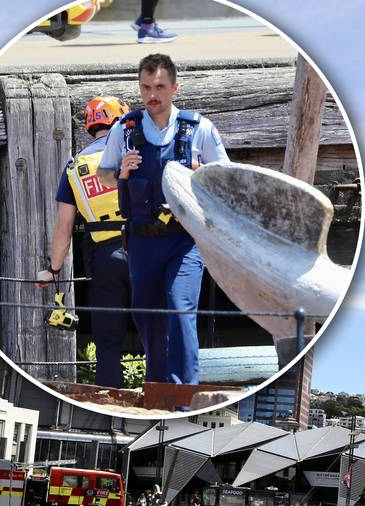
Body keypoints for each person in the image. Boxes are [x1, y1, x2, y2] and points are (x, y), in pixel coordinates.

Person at [98, 54, 228, 387]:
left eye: (159, 87)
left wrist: (204, 176)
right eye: (145, 87)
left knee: (179, 306)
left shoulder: (199, 129)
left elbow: (226, 181)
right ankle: (158, 386)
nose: (151, 95)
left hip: (185, 240)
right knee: (146, 315)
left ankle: (184, 388)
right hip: (141, 241)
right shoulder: (124, 129)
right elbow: (105, 176)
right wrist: (122, 172)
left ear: (174, 87)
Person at [38, 95, 135, 388]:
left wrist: (53, 270)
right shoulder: (136, 152)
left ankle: (110, 394)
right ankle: (163, 397)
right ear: (120, 119)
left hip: (104, 255)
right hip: (145, 249)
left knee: (107, 339)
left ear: (91, 128)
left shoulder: (74, 167)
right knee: (158, 327)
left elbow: (63, 227)